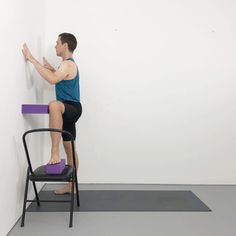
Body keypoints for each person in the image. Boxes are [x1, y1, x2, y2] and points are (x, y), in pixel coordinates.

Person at [22, 33, 82, 194]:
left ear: (65, 45)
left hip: (71, 108)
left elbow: (52, 80)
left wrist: (32, 59)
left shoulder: (67, 64)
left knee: (54, 105)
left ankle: (54, 151)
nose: (55, 45)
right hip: (69, 109)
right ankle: (72, 186)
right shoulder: (65, 65)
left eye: (57, 42)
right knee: (70, 149)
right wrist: (53, 69)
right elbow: (61, 78)